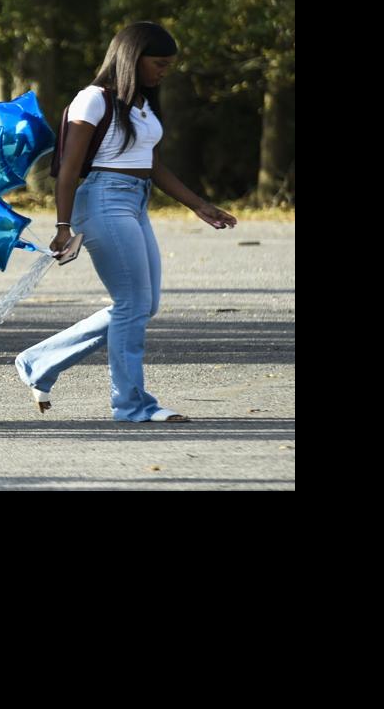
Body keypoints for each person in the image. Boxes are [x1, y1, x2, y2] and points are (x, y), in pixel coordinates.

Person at [15, 22, 237, 423]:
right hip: (103, 200)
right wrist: (63, 226)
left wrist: (198, 205)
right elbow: (67, 169)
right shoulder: (93, 99)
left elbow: (149, 163)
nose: (164, 71)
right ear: (133, 58)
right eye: (159, 63)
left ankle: (40, 361)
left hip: (135, 202)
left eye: (169, 65)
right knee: (133, 304)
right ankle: (132, 404)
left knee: (143, 305)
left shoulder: (141, 104)